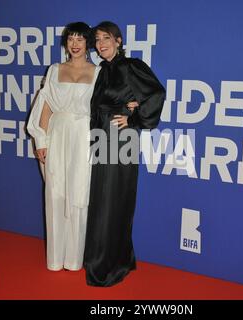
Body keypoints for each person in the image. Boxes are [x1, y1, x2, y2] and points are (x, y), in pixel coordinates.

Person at [83, 21, 166, 286]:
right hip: (102, 136)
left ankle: (108, 265)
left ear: (119, 41)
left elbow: (155, 94)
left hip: (121, 138)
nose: (101, 44)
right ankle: (115, 257)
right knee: (103, 199)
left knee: (113, 199)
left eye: (106, 38)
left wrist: (134, 119)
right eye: (97, 40)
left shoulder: (132, 66)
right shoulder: (102, 70)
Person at [27, 22, 100, 271]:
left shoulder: (99, 72)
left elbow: (106, 107)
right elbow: (45, 106)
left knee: (79, 194)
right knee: (56, 192)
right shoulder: (55, 69)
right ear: (65, 42)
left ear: (88, 43)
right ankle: (56, 259)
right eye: (71, 39)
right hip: (56, 135)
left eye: (80, 39)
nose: (75, 44)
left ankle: (74, 258)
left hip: (84, 137)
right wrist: (40, 140)